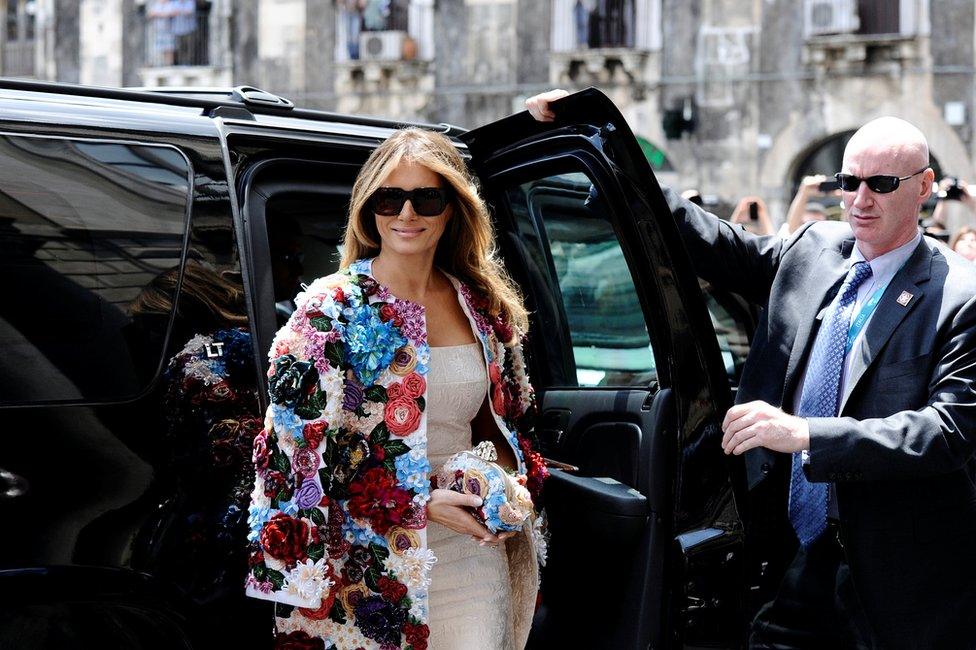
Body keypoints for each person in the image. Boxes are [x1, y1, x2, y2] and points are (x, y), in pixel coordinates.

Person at [527, 90, 976, 648]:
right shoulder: (814, 248)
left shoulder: (960, 293)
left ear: (925, 187)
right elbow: (708, 240)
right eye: (847, 182)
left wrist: (806, 434)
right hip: (788, 558)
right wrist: (606, 146)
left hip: (895, 578)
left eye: (881, 185)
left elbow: (948, 432)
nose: (859, 200)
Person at [244, 128, 547, 649]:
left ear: (451, 209)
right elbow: (296, 454)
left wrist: (501, 484)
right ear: (369, 209)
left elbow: (498, 422)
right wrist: (420, 501)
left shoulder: (480, 305)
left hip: (472, 554)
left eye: (426, 197)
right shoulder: (329, 311)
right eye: (390, 197)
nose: (407, 213)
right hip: (368, 566)